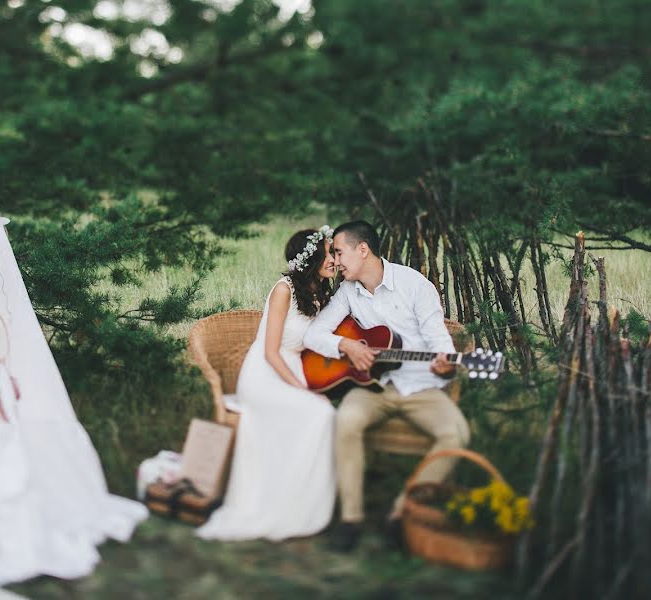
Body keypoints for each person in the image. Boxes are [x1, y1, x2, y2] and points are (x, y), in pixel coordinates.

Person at [303, 220, 470, 552]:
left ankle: (402, 513)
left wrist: (445, 364)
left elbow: (440, 341)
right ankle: (351, 520)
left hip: (421, 388)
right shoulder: (348, 292)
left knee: (457, 434)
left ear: (362, 250)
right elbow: (313, 335)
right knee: (346, 421)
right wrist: (346, 346)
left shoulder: (414, 285)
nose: (335, 260)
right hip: (374, 388)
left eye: (339, 251)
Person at [196, 227, 337, 541]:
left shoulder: (320, 291)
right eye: (328, 253)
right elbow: (271, 351)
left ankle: (298, 500)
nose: (333, 259)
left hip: (295, 371)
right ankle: (280, 505)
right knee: (319, 413)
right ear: (311, 257)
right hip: (265, 374)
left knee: (319, 413)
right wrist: (302, 391)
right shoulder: (284, 290)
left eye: (334, 253)